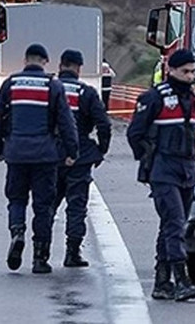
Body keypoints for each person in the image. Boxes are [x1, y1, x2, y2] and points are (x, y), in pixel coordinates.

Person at [0, 43, 78, 275]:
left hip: (16, 154)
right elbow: (66, 123)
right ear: (45, 62)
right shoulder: (52, 85)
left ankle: (17, 231)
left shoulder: (11, 83)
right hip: (45, 156)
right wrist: (72, 152)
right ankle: (40, 258)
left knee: (16, 199)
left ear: (25, 60)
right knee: (43, 207)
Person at [127, 48, 195, 301]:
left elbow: (194, 136)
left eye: (192, 72)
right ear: (171, 70)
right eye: (185, 71)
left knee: (173, 225)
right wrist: (149, 160)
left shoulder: (194, 100)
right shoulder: (154, 98)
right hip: (163, 169)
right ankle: (181, 280)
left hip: (187, 170)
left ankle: (162, 281)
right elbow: (135, 134)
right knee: (174, 223)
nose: (189, 76)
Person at [53, 49, 112, 268]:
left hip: (51, 155)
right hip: (80, 155)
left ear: (60, 66)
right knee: (76, 205)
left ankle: (40, 254)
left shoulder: (50, 89)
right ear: (79, 68)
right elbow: (103, 124)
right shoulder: (86, 92)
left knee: (46, 205)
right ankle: (72, 252)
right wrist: (101, 150)